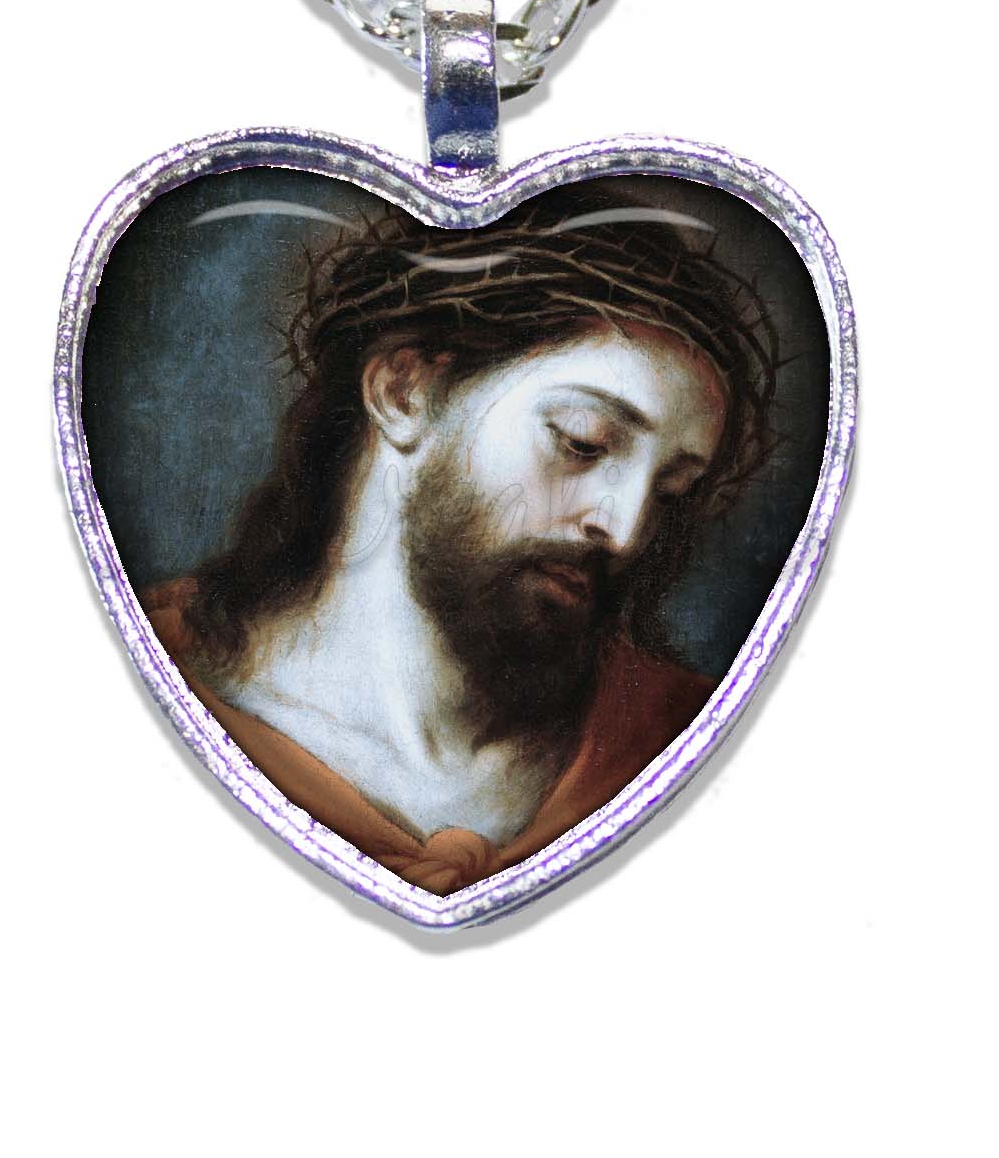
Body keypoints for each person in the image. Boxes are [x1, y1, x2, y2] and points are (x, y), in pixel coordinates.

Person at [141, 183, 778, 894]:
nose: (624, 531)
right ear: (405, 392)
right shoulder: (154, 685)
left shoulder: (678, 731)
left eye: (670, 491)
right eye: (582, 441)